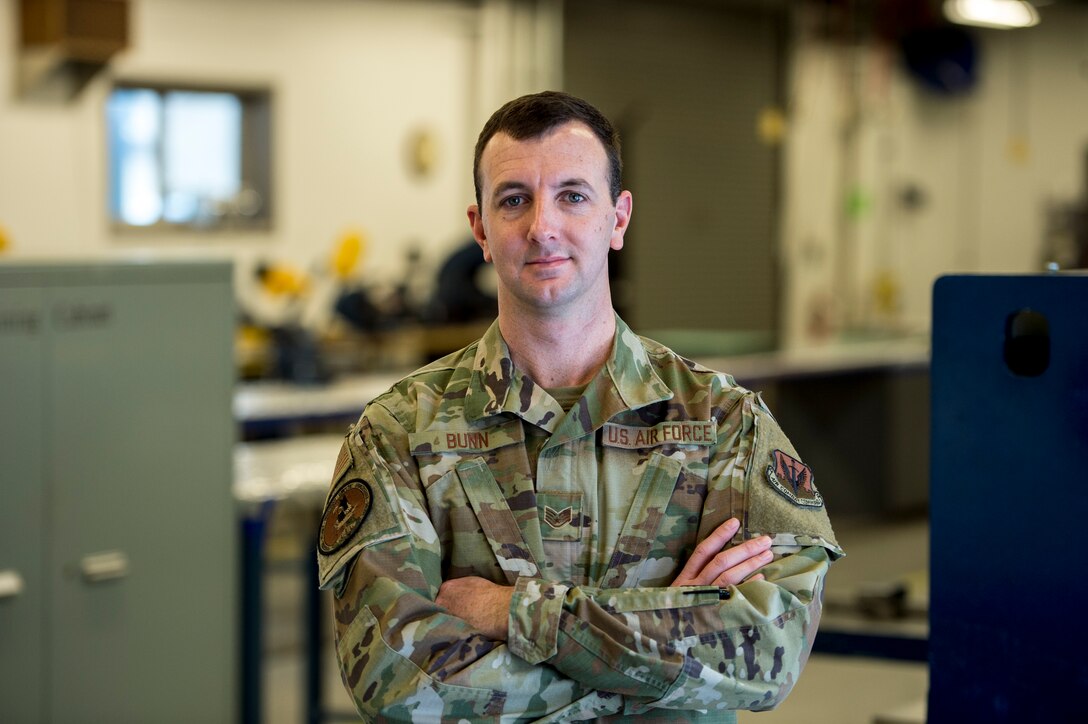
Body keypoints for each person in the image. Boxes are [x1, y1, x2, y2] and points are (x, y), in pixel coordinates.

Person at [317, 90, 843, 722]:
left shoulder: (723, 423)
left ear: (618, 219)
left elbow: (769, 655)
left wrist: (511, 611)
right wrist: (656, 646)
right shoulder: (398, 433)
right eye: (515, 200)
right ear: (480, 228)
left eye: (573, 195)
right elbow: (401, 685)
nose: (543, 227)